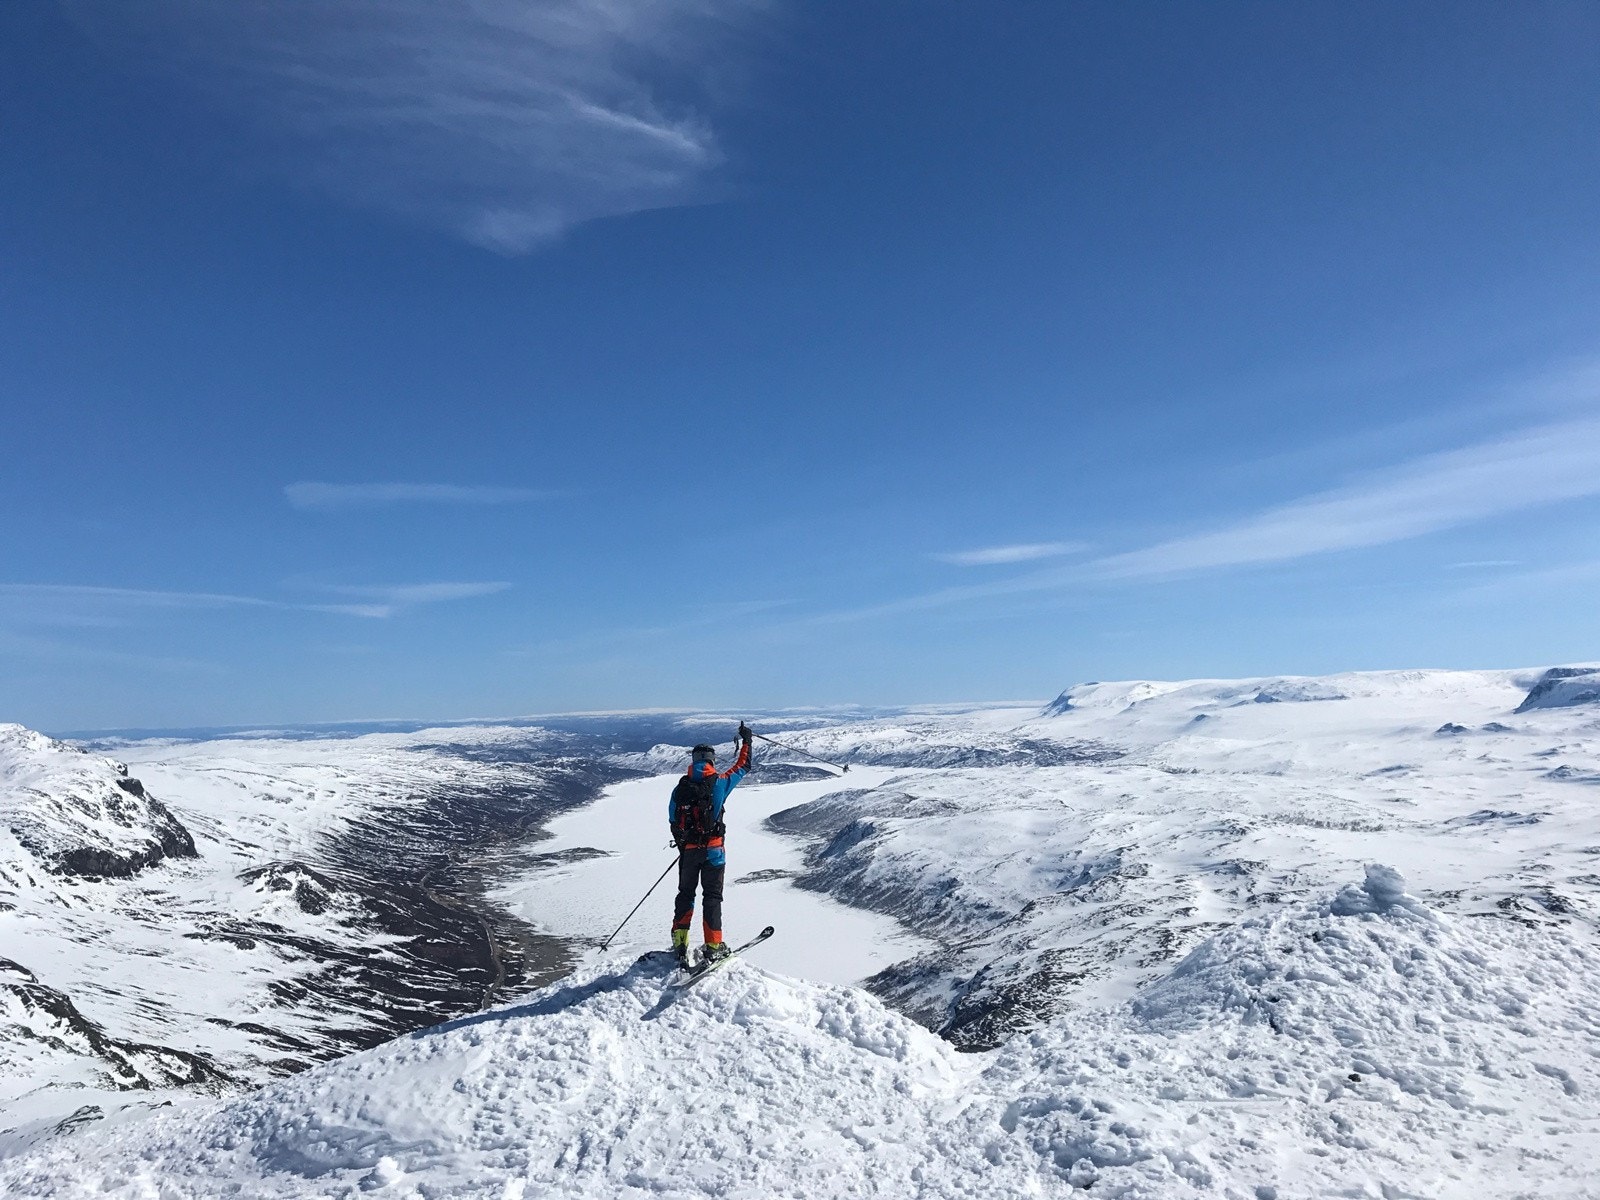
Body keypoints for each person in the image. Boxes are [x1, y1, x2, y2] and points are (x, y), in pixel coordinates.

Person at [669, 721, 752, 967]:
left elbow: (673, 819)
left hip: (689, 853)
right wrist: (747, 740)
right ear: (712, 761)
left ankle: (680, 944)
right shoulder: (719, 782)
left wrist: (685, 845)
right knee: (712, 897)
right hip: (714, 851)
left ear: (693, 761)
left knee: (685, 895)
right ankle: (713, 947)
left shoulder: (679, 789)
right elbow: (743, 765)